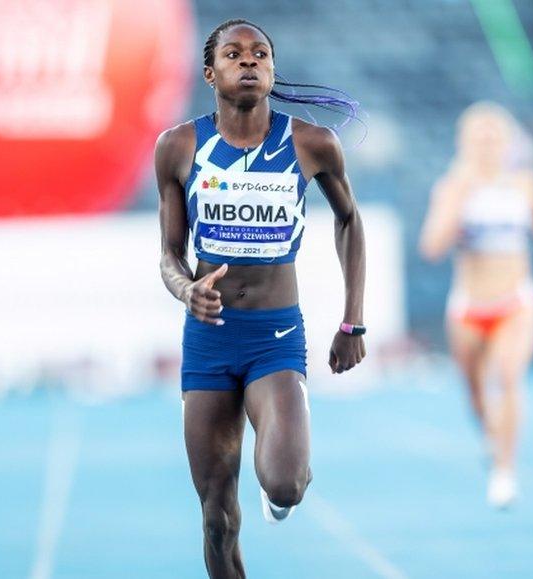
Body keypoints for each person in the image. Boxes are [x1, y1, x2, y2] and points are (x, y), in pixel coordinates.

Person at [156, 19, 366, 578]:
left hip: (274, 337)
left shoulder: (312, 143)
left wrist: (354, 323)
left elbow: (349, 221)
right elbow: (169, 254)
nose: (249, 61)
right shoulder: (178, 146)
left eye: (261, 54)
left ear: (272, 71)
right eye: (234, 53)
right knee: (217, 518)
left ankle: (285, 481)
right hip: (209, 343)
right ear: (211, 72)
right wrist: (186, 291)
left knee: (285, 483)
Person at [419, 102, 533, 509]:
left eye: (494, 138)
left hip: (516, 301)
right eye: (479, 138)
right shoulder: (452, 186)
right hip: (469, 305)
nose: (487, 146)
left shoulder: (525, 183)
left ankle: (505, 471)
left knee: (507, 376)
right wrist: (459, 199)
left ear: (507, 143)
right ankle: (492, 438)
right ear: (464, 143)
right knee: (475, 394)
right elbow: (432, 247)